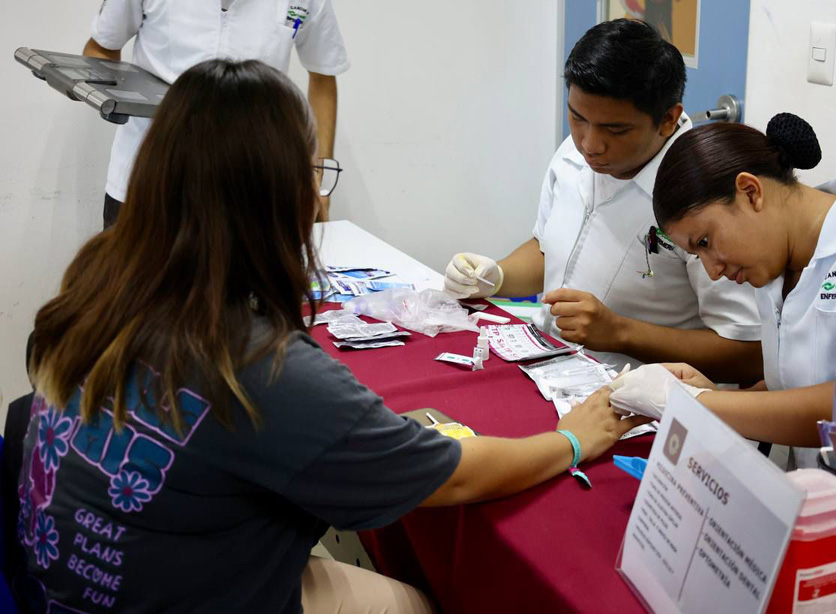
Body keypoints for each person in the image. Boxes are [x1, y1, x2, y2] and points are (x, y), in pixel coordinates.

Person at [11, 59, 648, 614]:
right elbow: (447, 479)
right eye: (310, 172)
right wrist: (570, 438)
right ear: (275, 199)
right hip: (168, 592)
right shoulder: (255, 362)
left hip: (68, 579)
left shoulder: (100, 277)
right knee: (412, 602)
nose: (318, 196)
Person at [622, 113, 836, 573]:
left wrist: (697, 404)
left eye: (706, 241)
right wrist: (712, 397)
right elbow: (794, 391)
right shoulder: (775, 270)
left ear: (750, 191)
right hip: (832, 522)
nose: (713, 269)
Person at [442, 19, 762, 383]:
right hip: (547, 367)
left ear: (668, 120)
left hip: (636, 402)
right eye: (577, 118)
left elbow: (749, 353)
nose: (590, 144)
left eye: (616, 130)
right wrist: (495, 276)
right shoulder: (576, 153)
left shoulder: (704, 196)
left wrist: (621, 333)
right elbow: (549, 250)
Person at [83, 0, 349, 228]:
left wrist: (319, 174)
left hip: (249, 188)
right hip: (146, 180)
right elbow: (101, 48)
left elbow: (323, 75)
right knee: (132, 286)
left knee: (245, 288)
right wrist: (115, 97)